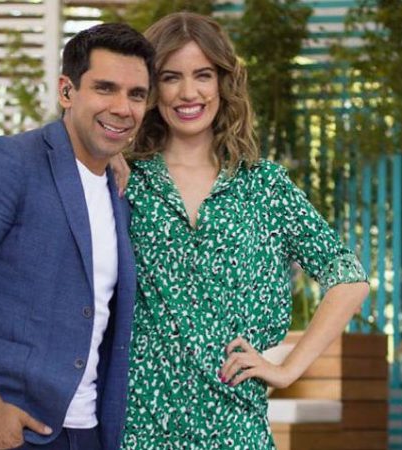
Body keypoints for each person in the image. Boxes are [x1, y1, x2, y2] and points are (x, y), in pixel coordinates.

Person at [118, 12, 370, 450]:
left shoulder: (263, 185)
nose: (188, 92)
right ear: (151, 87)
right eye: (171, 77)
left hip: (237, 429)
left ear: (223, 82)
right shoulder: (125, 181)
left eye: (203, 75)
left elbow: (348, 278)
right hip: (140, 428)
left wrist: (288, 369)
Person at [0, 23, 154, 450]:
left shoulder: (120, 191)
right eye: (105, 88)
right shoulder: (8, 162)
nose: (122, 107)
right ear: (66, 91)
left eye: (136, 95)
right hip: (0, 428)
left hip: (87, 431)